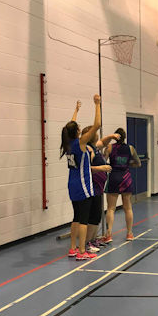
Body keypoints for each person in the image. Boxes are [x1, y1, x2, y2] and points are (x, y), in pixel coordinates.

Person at [59, 95, 102, 260]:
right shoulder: (80, 143)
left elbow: (68, 126)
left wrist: (76, 111)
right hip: (83, 184)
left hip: (72, 184)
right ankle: (82, 251)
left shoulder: (68, 143)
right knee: (83, 219)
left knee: (76, 217)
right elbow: (97, 125)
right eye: (78, 127)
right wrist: (97, 104)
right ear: (77, 132)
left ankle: (72, 248)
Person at [82, 127, 120, 247]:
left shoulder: (94, 147)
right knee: (93, 216)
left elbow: (103, 142)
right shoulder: (88, 150)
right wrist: (101, 168)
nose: (98, 135)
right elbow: (85, 169)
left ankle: (92, 240)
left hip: (98, 186)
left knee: (97, 215)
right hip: (92, 186)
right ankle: (87, 242)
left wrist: (111, 137)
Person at [103, 128, 141, 242]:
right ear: (125, 137)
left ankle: (109, 234)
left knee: (111, 208)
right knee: (128, 207)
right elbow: (138, 163)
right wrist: (127, 163)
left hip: (114, 177)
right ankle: (129, 233)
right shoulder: (130, 148)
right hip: (126, 178)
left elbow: (103, 161)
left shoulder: (109, 148)